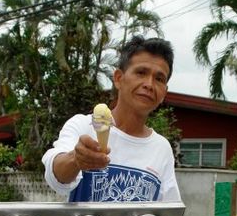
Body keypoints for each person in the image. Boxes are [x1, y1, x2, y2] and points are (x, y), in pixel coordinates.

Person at [42, 36, 181, 203]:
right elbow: (56, 177)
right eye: (141, 72)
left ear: (164, 93)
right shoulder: (84, 126)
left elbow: (168, 212)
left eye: (159, 79)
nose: (149, 84)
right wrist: (76, 159)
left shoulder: (161, 148)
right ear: (118, 78)